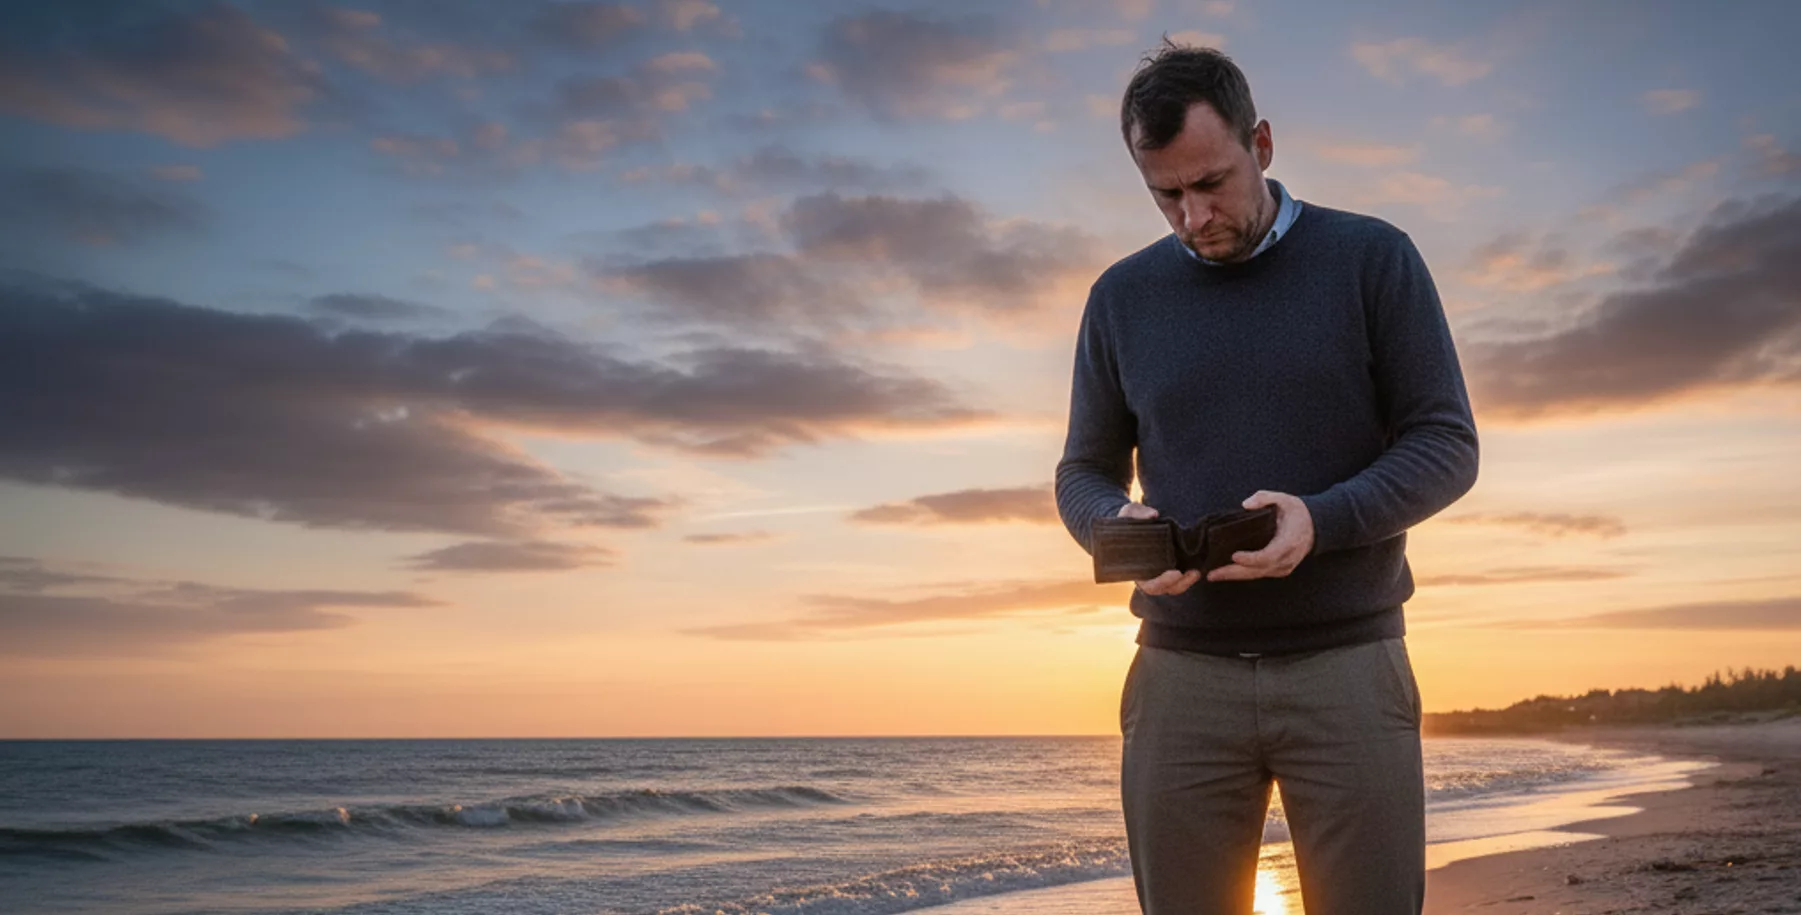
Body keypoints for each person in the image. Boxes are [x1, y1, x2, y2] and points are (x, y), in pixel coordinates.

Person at [1053, 41, 1481, 915]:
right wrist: (1120, 530)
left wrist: (1318, 520)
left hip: (1349, 664)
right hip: (1179, 677)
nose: (1191, 215)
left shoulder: (1371, 259)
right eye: (1165, 193)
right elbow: (1082, 470)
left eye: (1211, 182)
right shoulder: (1120, 297)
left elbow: (1445, 442)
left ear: (1264, 144)